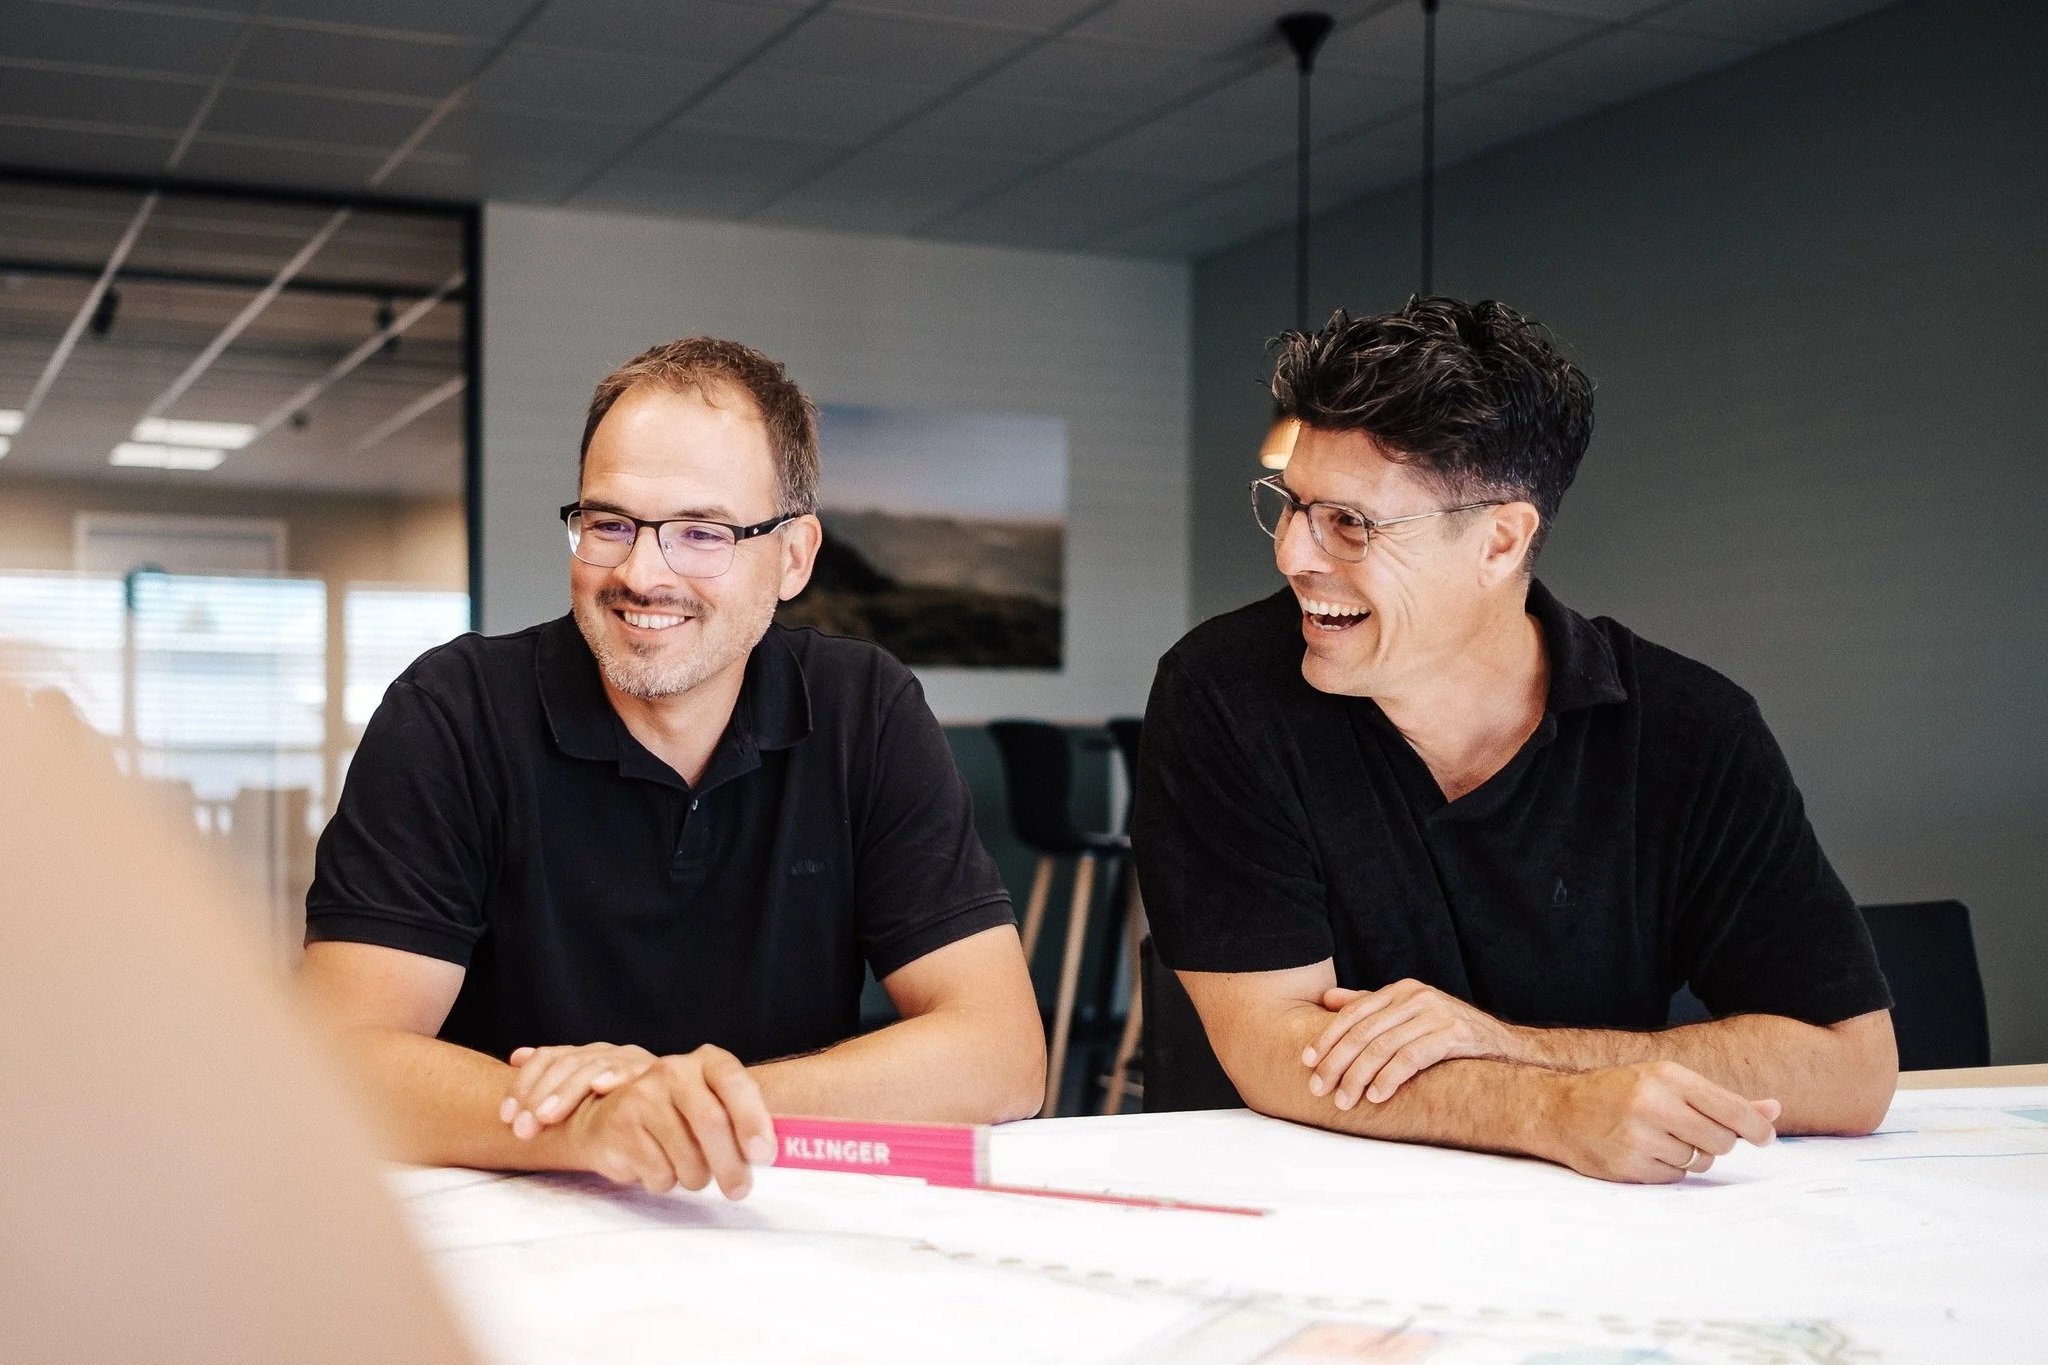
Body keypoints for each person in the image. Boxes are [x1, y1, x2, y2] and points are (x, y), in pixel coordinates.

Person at [1134, 298, 1897, 1184]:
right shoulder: (1224, 691)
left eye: (1352, 524)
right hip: (1300, 1205)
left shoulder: (1692, 728)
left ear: (1501, 539)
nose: (1293, 553)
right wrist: (1551, 1107)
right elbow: (1276, 1045)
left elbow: (1852, 1066)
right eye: (1294, 506)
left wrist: (1511, 1047)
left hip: (1603, 1233)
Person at [301, 337, 1044, 1201]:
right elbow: (338, 1061)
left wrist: (676, 1112)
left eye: (703, 533)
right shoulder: (452, 710)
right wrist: (591, 1126)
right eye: (610, 523)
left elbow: (1002, 1053)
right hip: (511, 1221)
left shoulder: (863, 709)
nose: (642, 572)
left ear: (795, 558)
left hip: (770, 1212)